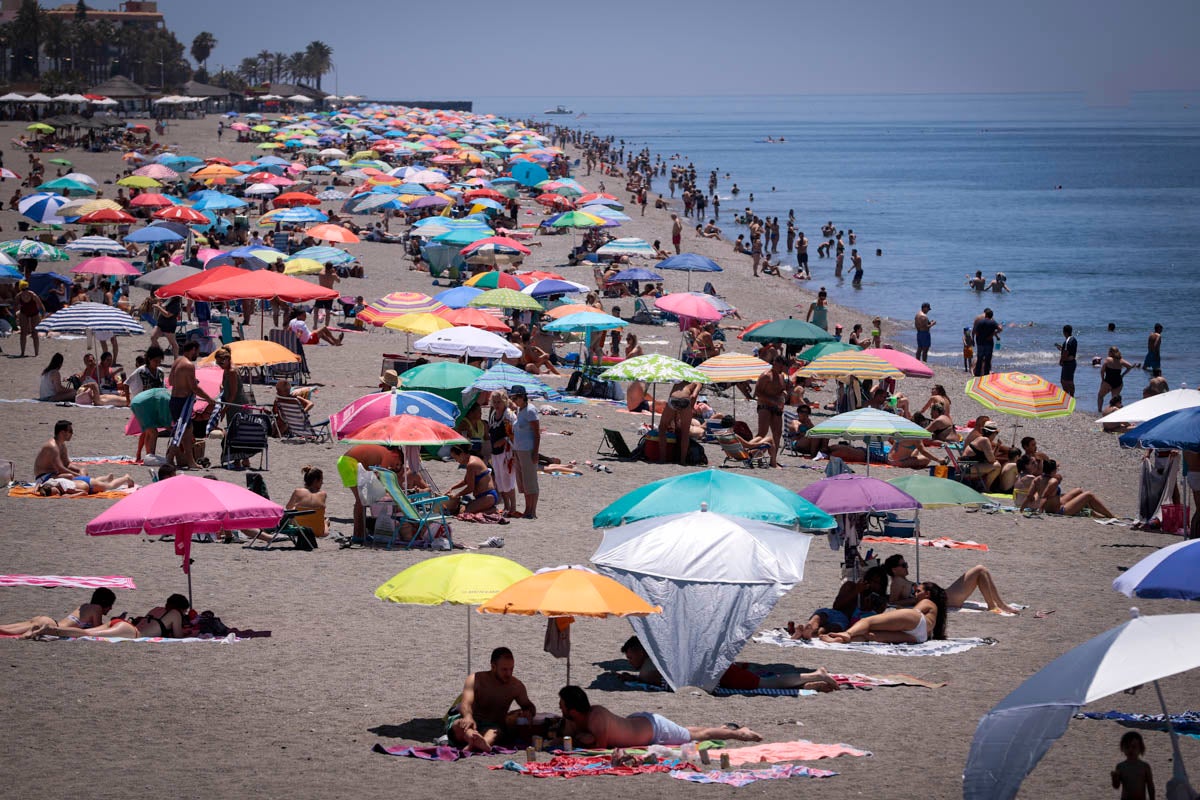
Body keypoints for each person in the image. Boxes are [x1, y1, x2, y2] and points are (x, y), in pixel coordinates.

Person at [557, 686, 761, 749]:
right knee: (687, 731)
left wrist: (582, 740)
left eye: (562, 705)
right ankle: (725, 727)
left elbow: (600, 748)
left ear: (572, 709)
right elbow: (569, 736)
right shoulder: (576, 718)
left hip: (654, 730)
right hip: (641, 724)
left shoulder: (596, 718)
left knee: (697, 735)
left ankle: (738, 734)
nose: (559, 707)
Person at [618, 636, 836, 693]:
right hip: (711, 667)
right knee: (762, 683)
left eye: (630, 657)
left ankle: (815, 675)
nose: (630, 662)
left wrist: (636, 678)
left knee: (764, 684)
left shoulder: (647, 670)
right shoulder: (658, 655)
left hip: (715, 675)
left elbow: (654, 679)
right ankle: (811, 684)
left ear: (640, 651)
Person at [447, 647, 536, 752]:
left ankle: (482, 742)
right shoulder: (476, 679)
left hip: (493, 725)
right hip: (471, 720)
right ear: (493, 666)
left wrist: (528, 712)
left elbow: (528, 705)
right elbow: (466, 703)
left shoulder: (516, 686)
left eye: (511, 669)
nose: (508, 673)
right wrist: (468, 717)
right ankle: (474, 739)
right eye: (504, 669)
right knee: (460, 725)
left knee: (495, 732)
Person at [885, 554, 1018, 615]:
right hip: (946, 598)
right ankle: (996, 605)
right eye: (903, 565)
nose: (906, 567)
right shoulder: (897, 582)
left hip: (945, 595)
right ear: (894, 570)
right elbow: (893, 602)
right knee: (979, 569)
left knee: (982, 571)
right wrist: (914, 599)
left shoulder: (901, 580)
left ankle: (996, 604)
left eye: (906, 564)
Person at [821, 582, 948, 644]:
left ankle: (847, 634)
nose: (915, 594)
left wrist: (898, 609)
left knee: (867, 621)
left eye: (918, 591)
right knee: (871, 636)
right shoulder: (935, 612)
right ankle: (838, 640)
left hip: (916, 621)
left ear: (927, 594)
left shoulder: (927, 601)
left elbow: (915, 613)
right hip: (920, 637)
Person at [787, 566, 890, 639]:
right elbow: (836, 605)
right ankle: (806, 629)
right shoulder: (850, 586)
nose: (873, 585)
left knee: (827, 629)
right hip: (836, 612)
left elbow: (872, 621)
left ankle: (806, 633)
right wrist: (856, 591)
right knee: (818, 617)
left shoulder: (880, 600)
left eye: (877, 583)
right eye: (872, 581)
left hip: (845, 621)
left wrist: (868, 608)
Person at [27, 593, 190, 640]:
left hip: (120, 623)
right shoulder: (175, 614)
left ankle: (43, 629)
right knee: (87, 633)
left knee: (89, 633)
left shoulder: (157, 609)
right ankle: (50, 630)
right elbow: (178, 636)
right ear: (181, 609)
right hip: (131, 631)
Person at [336, 443, 405, 543]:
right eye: (397, 463)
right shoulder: (388, 455)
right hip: (349, 463)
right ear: (396, 455)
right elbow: (382, 478)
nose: (394, 467)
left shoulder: (381, 453)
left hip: (347, 461)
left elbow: (372, 474)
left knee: (361, 501)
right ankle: (357, 535)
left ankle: (362, 533)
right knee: (360, 501)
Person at [166, 340, 213, 470]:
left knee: (184, 433)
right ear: (192, 349)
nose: (197, 354)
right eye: (197, 352)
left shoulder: (177, 361)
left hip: (174, 400)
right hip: (182, 403)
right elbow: (194, 388)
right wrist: (209, 399)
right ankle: (178, 459)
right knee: (184, 432)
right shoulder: (188, 365)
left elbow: (170, 381)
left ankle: (180, 459)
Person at [0, 588, 117, 638]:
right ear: (104, 602)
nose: (110, 608)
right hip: (51, 625)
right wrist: (115, 621)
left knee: (6, 629)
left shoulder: (85, 606)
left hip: (47, 620)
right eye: (110, 605)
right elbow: (99, 629)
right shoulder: (96, 608)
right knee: (7, 632)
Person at [1025, 459, 1115, 518]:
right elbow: (1045, 497)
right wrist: (1039, 510)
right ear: (1053, 471)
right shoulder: (1052, 481)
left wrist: (1023, 508)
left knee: (1078, 490)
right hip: (1059, 511)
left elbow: (1030, 495)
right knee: (1088, 495)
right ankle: (1110, 515)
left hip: (1056, 505)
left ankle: (1094, 513)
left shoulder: (1039, 479)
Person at [510, 385, 540, 519]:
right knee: (523, 483)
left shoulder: (530, 410)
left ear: (522, 397)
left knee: (530, 482)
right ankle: (527, 510)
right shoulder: (520, 410)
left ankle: (531, 511)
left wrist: (535, 452)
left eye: (515, 397)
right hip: (518, 449)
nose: (513, 400)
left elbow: (537, 433)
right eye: (512, 397)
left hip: (528, 450)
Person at [958, 421, 1015, 492]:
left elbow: (991, 458)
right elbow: (991, 460)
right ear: (994, 433)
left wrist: (997, 447)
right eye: (996, 433)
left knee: (995, 465)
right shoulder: (985, 440)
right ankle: (986, 488)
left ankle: (982, 486)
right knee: (997, 466)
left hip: (966, 466)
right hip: (967, 468)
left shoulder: (981, 438)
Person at [754, 357, 789, 467]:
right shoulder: (766, 375)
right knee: (762, 433)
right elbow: (758, 393)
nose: (782, 367)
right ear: (775, 363)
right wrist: (772, 401)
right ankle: (758, 457)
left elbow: (780, 389)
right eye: (780, 365)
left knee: (777, 433)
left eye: (783, 365)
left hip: (776, 407)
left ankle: (773, 460)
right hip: (764, 405)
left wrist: (784, 392)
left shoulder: (781, 376)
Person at [445, 444, 498, 514]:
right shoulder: (473, 459)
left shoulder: (471, 464)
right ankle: (488, 508)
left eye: (456, 458)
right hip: (485, 496)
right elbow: (466, 481)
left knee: (463, 513)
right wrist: (452, 488)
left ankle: (492, 510)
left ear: (462, 454)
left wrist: (457, 495)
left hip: (487, 496)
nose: (456, 461)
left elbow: (470, 488)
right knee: (462, 509)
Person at [658, 380, 700, 466]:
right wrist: (688, 409)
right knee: (685, 433)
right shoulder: (697, 382)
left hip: (674, 399)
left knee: (662, 428)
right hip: (685, 400)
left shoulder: (678, 379)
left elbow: (671, 395)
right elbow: (694, 395)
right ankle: (683, 460)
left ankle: (662, 458)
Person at [286, 466, 327, 538]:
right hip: (318, 532)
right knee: (325, 520)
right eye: (321, 480)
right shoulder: (323, 494)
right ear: (315, 481)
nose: (322, 483)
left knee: (293, 511)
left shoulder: (297, 491)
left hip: (299, 530)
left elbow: (288, 507)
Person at [1111, 731, 1154, 800]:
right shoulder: (1121, 766)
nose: (1130, 750)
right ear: (1122, 748)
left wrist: (1152, 798)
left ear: (1141, 748)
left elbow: (1150, 785)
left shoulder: (1144, 766)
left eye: (1134, 747)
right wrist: (1114, 778)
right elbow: (1116, 786)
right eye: (1127, 747)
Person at [14, 280, 44, 358]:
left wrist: (43, 316)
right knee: (23, 333)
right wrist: (15, 315)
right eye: (23, 290)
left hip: (34, 313)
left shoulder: (33, 295)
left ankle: (36, 353)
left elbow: (40, 305)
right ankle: (22, 352)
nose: (25, 291)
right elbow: (15, 306)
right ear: (21, 289)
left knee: (34, 333)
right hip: (24, 313)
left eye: (26, 289)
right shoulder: (18, 296)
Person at [1098, 346, 1133, 413]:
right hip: (1118, 382)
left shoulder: (1108, 359)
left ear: (1111, 352)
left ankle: (1100, 411)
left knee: (1100, 396)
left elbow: (1102, 371)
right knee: (1114, 399)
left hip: (1108, 381)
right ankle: (1114, 412)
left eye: (1109, 351)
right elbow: (1130, 366)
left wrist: (1102, 380)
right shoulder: (1121, 360)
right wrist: (1123, 375)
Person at [971, 308, 1002, 377]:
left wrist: (973, 339)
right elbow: (997, 329)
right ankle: (986, 374)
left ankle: (977, 374)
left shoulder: (978, 319)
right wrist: (994, 335)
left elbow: (974, 330)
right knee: (988, 358)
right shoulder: (992, 320)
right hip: (989, 342)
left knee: (980, 357)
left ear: (985, 313)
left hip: (980, 341)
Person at [1056, 324, 1078, 397]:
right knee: (1068, 381)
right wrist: (1061, 348)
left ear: (1064, 332)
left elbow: (1066, 352)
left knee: (1065, 381)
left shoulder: (1067, 341)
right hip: (1072, 363)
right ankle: (1070, 395)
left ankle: (1069, 396)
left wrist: (1061, 361)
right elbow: (1069, 350)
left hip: (1068, 363)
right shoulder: (1073, 339)